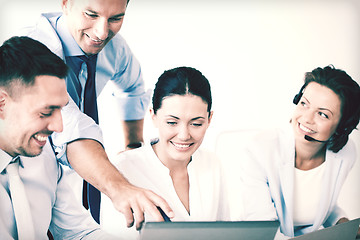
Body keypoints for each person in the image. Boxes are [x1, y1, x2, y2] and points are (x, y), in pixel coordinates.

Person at [17, 0, 172, 227]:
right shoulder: (31, 52)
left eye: (115, 19)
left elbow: (132, 89)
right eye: (91, 14)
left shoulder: (115, 49)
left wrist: (133, 146)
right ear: (66, 4)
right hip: (23, 174)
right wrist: (119, 188)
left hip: (69, 191)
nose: (101, 32)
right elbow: (69, 127)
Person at [0, 36, 118, 239]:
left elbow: (79, 233)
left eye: (60, 110)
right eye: (46, 112)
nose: (59, 127)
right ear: (2, 103)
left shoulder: (44, 158)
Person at [101, 66, 228, 238]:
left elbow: (224, 233)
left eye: (196, 123)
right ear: (153, 116)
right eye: (172, 122)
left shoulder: (212, 163)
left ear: (209, 119)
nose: (184, 135)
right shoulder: (123, 170)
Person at [238, 65, 360, 239]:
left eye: (322, 114)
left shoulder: (346, 154)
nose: (306, 118)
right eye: (304, 104)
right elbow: (264, 229)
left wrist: (344, 225)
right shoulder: (260, 150)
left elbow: (324, 205)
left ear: (342, 127)